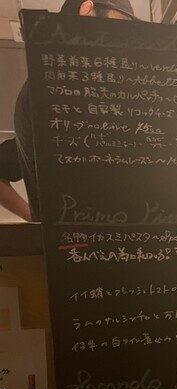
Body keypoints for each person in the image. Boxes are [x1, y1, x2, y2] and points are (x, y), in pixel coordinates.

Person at [0, 0, 136, 223]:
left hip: (91, 238)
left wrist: (35, 219)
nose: (122, 40)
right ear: (87, 10)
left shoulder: (47, 93)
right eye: (120, 25)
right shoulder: (56, 88)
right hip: (94, 237)